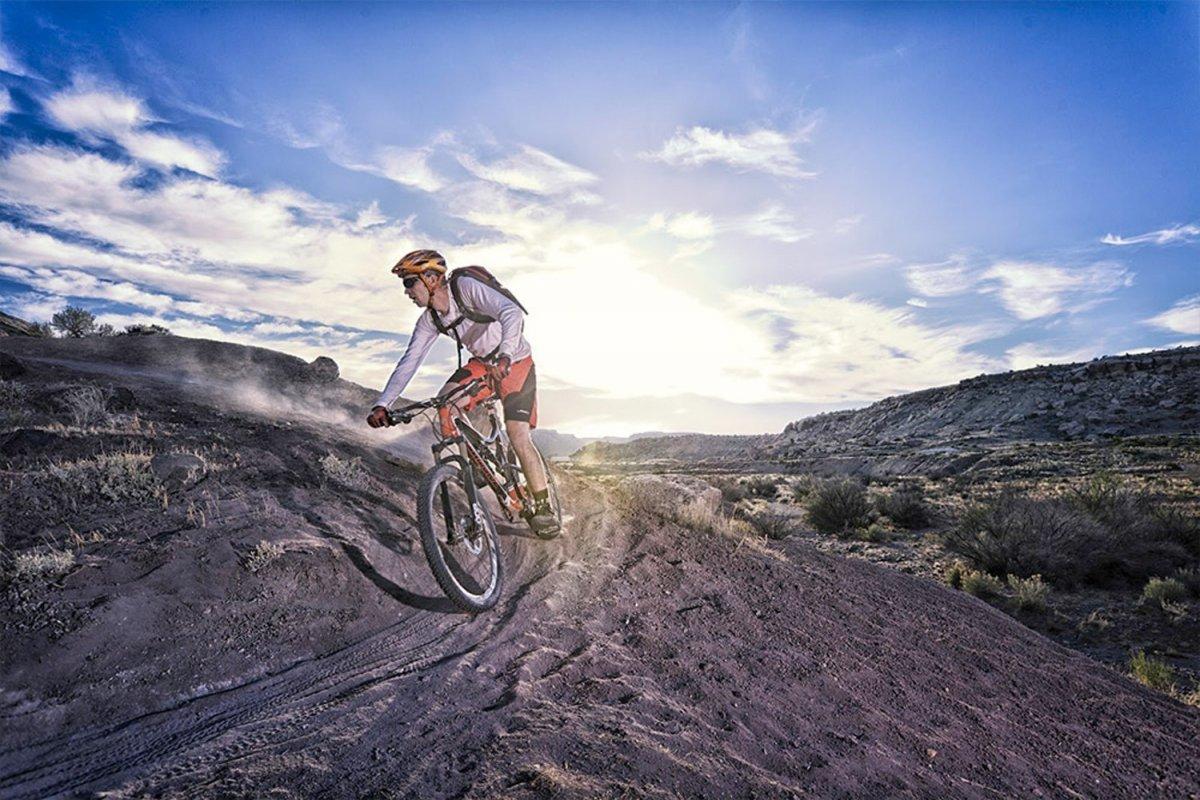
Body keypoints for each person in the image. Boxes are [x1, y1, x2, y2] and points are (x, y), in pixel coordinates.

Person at [366, 249, 558, 535]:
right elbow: (409, 361)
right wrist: (383, 404)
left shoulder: (465, 288)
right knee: (446, 406)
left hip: (515, 363)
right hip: (482, 366)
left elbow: (511, 312)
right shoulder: (430, 320)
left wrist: (505, 355)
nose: (407, 292)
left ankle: (543, 508)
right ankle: (478, 465)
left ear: (431, 279)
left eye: (409, 283)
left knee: (518, 434)